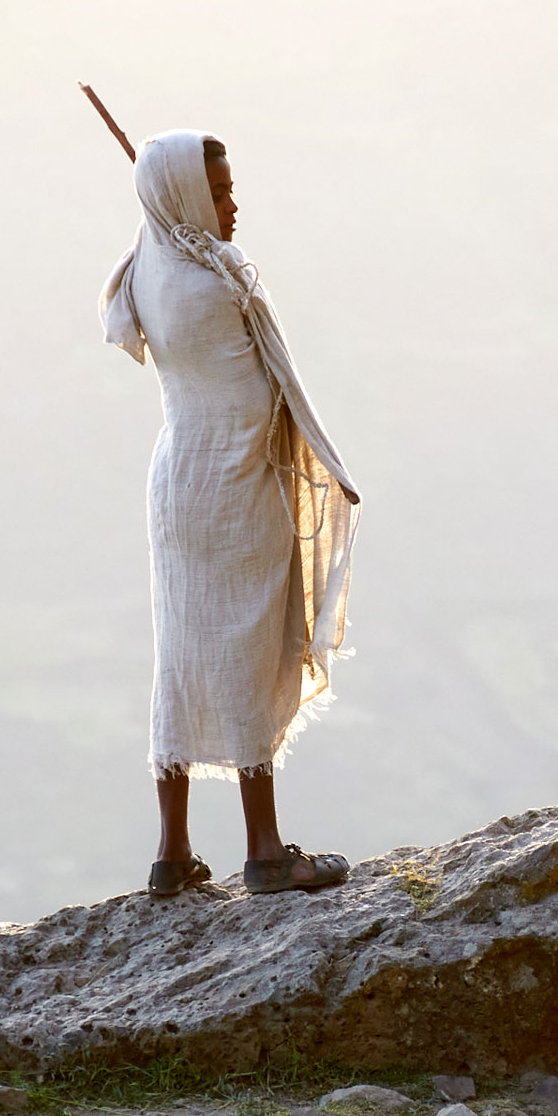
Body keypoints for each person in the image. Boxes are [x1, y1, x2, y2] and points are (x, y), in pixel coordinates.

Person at [99, 129, 362, 897]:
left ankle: (172, 854)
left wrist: (182, 222)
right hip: (236, 481)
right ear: (183, 198)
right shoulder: (217, 283)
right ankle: (266, 851)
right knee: (249, 652)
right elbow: (267, 343)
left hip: (178, 481)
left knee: (180, 656)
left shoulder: (146, 267)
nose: (232, 204)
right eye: (216, 192)